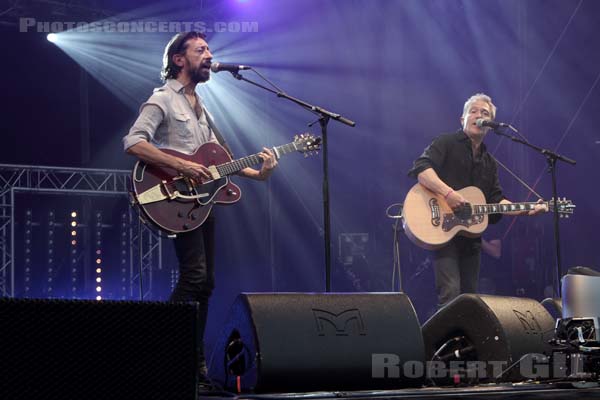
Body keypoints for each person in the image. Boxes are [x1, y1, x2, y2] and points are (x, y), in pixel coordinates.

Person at [122, 31, 277, 389]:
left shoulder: (201, 106)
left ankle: (193, 367)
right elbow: (134, 142)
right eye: (201, 50)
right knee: (194, 277)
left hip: (202, 203)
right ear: (179, 59)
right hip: (175, 198)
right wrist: (182, 167)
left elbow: (226, 162)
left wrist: (262, 171)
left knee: (205, 283)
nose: (209, 55)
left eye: (210, 49)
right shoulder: (162, 98)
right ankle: (162, 355)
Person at [408, 93, 545, 308]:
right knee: (450, 292)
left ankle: (464, 341)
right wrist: (448, 193)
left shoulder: (489, 162)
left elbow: (496, 201)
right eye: (473, 111)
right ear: (462, 119)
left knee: (469, 298)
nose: (479, 115)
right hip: (442, 232)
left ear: (489, 125)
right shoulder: (447, 142)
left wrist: (526, 209)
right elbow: (422, 170)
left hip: (470, 239)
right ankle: (445, 340)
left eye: (485, 113)